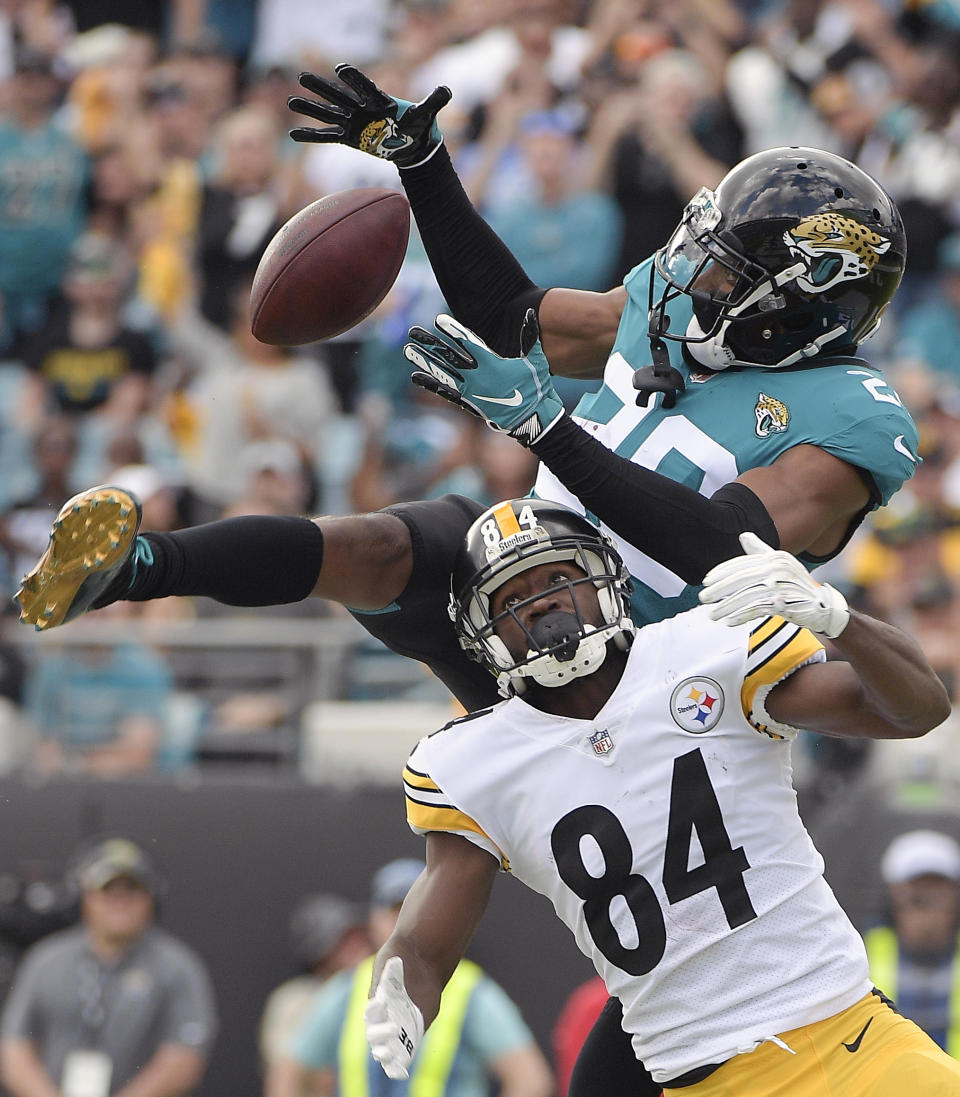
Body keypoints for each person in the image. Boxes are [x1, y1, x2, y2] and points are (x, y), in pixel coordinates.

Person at [12, 64, 920, 1097]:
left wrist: (548, 427)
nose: (690, 279)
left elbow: (722, 546)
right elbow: (515, 314)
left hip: (636, 672)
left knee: (681, 972)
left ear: (799, 306)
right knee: (384, 545)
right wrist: (425, 165)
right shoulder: (664, 312)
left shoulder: (844, 419)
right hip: (523, 580)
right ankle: (141, 565)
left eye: (724, 273)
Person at [361, 496, 960, 1097]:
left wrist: (839, 619)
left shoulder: (704, 649)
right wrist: (402, 991)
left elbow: (917, 710)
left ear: (605, 581)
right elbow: (421, 945)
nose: (541, 601)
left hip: (852, 1036)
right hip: (703, 1079)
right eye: (512, 599)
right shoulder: (474, 765)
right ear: (483, 633)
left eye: (558, 577)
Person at [269, 857, 552, 1097]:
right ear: (373, 921)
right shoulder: (346, 988)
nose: (403, 921)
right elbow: (290, 1070)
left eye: (413, 909)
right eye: (394, 910)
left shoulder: (471, 991)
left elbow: (530, 1078)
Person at [0, 836, 217, 1097]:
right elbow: (14, 1047)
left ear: (152, 898)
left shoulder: (178, 966)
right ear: (86, 897)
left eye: (132, 890)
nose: (121, 902)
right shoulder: (46, 960)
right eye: (108, 891)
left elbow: (185, 1057)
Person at [864, 829, 960, 1057]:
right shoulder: (858, 955)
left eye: (937, 889)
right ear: (894, 895)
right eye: (917, 892)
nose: (927, 900)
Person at [259, 892, 369, 1089]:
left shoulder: (375, 990)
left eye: (357, 933)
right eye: (344, 937)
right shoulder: (292, 1001)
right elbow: (288, 1072)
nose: (356, 943)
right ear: (319, 948)